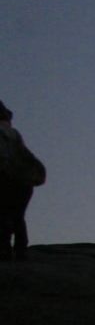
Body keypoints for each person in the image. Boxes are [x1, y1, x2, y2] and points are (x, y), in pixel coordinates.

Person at [0, 99, 45, 262]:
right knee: (16, 216)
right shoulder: (14, 133)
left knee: (5, 214)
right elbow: (26, 156)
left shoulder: (6, 133)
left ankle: (6, 250)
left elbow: (4, 157)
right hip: (23, 180)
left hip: (8, 178)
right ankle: (20, 250)